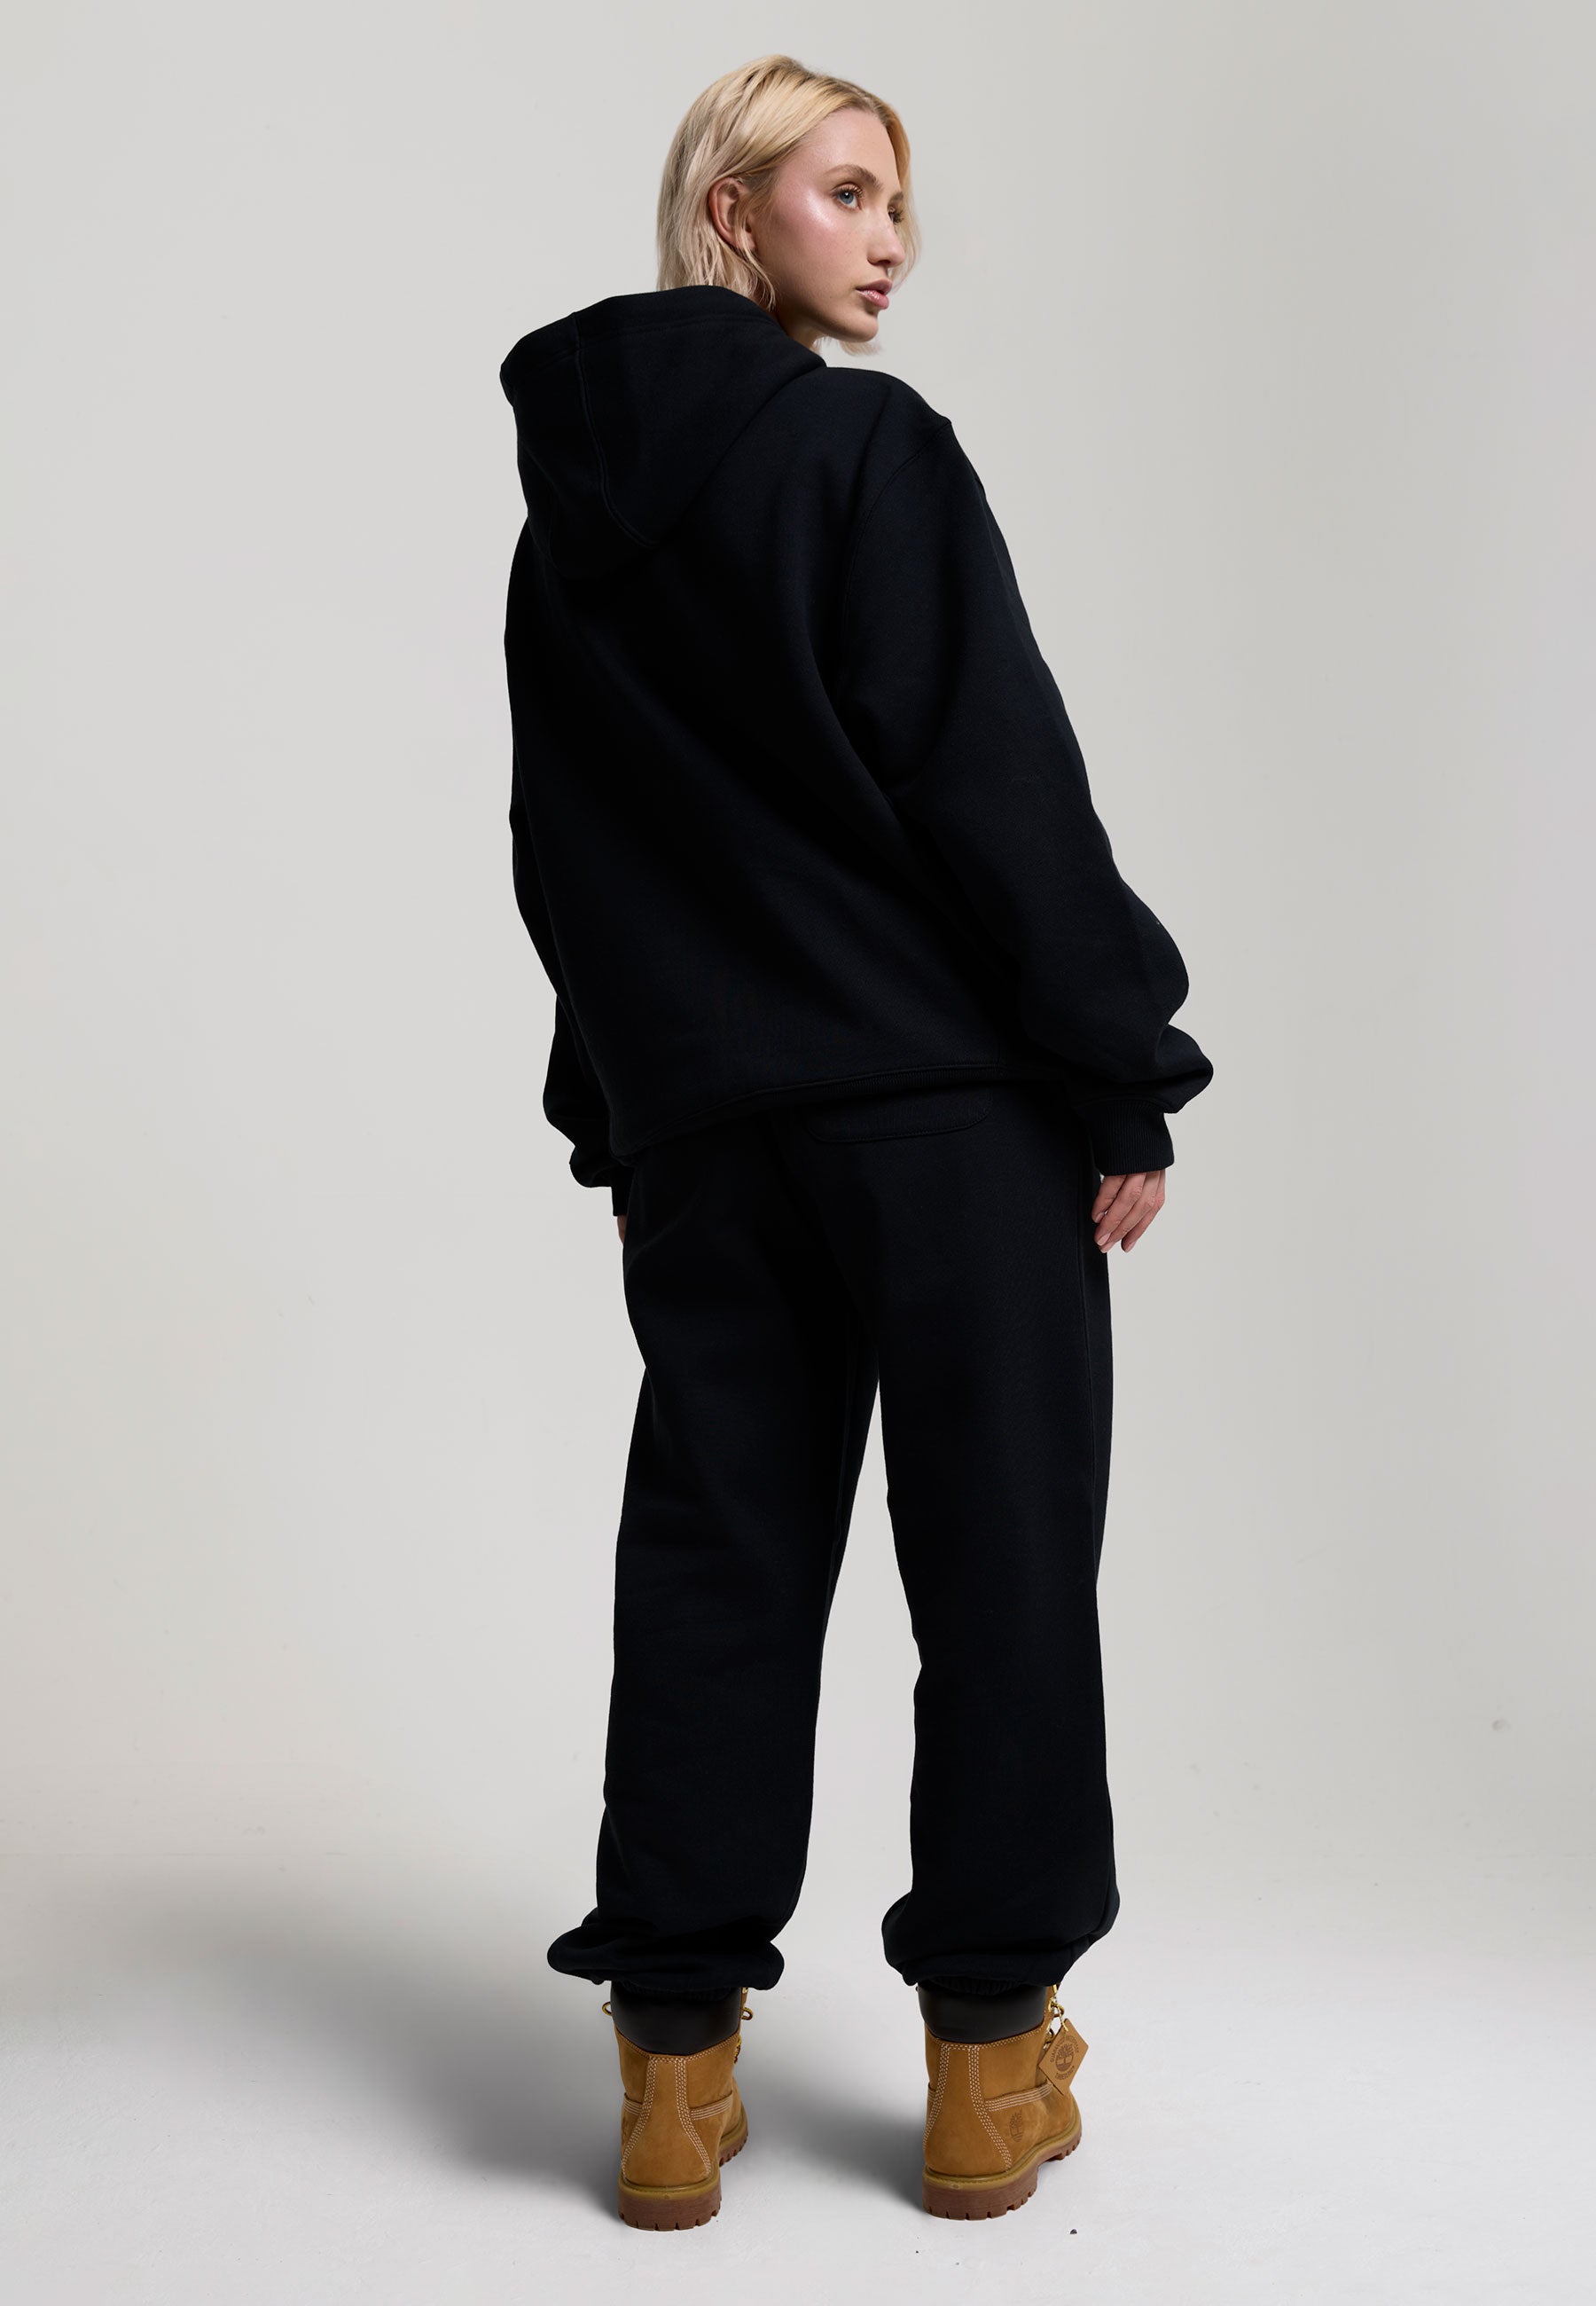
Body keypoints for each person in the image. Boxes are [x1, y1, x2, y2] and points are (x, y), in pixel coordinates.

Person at [498, 53, 1213, 2228]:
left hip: (716, 1136)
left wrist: (629, 1108)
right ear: (730, 210)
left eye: (897, 200)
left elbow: (564, 844)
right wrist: (1120, 1065)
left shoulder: (567, 525)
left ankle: (672, 2074)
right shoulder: (864, 449)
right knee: (1001, 1563)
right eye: (844, 190)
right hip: (942, 1121)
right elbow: (991, 781)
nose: (890, 238)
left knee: (716, 1564)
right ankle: (990, 2063)